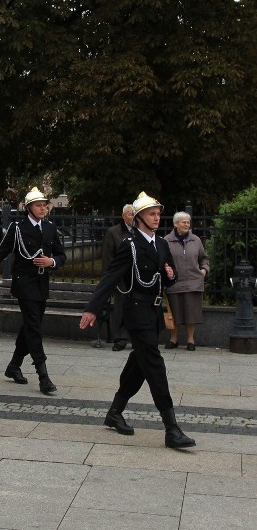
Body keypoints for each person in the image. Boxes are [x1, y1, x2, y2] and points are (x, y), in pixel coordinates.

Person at [80, 192, 196, 448]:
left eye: (157, 213)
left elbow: (167, 279)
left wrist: (170, 274)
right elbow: (110, 277)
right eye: (151, 214)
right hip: (136, 310)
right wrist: (93, 309)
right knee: (154, 365)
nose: (157, 218)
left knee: (140, 362)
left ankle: (114, 412)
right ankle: (171, 428)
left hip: (154, 312)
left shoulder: (161, 244)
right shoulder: (130, 245)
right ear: (140, 218)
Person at [0, 187, 66, 394]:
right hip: (24, 285)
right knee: (34, 328)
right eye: (38, 205)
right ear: (28, 208)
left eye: (44, 205)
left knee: (30, 327)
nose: (43, 208)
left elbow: (61, 255)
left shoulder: (49, 228)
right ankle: (43, 375)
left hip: (42, 284)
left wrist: (52, 261)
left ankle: (14, 366)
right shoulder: (18, 229)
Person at [164, 212, 210, 351]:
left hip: (193, 282)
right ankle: (174, 339)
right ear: (176, 224)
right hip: (174, 282)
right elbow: (163, 259)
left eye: (188, 222)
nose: (186, 225)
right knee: (174, 312)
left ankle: (190, 340)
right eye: (183, 222)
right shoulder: (166, 240)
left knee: (192, 313)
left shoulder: (196, 240)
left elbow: (204, 258)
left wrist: (204, 270)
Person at [103, 204, 135, 351]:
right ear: (123, 216)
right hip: (120, 278)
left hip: (137, 277)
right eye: (130, 215)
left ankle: (135, 336)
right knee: (120, 308)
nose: (133, 218)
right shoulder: (114, 232)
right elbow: (108, 257)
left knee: (136, 308)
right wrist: (111, 278)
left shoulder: (139, 230)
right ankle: (119, 338)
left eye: (135, 215)